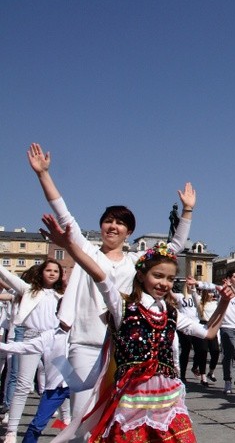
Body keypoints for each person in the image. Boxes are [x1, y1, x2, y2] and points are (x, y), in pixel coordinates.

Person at [27, 142, 195, 428]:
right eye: (108, 221)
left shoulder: (136, 261)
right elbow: (64, 214)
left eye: (120, 223)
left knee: (116, 419)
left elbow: (174, 246)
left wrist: (188, 211)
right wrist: (43, 174)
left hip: (122, 348)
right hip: (87, 342)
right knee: (82, 417)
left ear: (129, 232)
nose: (112, 226)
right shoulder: (87, 252)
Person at [41, 214, 233, 443]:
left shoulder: (170, 313)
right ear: (141, 275)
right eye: (158, 276)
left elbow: (209, 333)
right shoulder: (123, 305)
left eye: (170, 279)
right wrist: (70, 245)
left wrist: (224, 302)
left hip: (167, 398)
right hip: (132, 398)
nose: (164, 283)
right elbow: (99, 275)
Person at [0, 261, 65, 443]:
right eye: (48, 270)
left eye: (56, 271)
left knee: (65, 383)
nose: (52, 274)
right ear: (41, 272)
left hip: (56, 339)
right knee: (22, 384)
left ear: (60, 275)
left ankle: (67, 420)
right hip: (32, 337)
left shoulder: (63, 294)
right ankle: (12, 431)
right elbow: (7, 276)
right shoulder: (29, 291)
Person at [0, 327, 70, 443]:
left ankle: (67, 421)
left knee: (88, 421)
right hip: (55, 388)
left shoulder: (82, 333)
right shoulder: (50, 335)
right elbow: (24, 347)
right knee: (37, 425)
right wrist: (2, 346)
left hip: (78, 384)